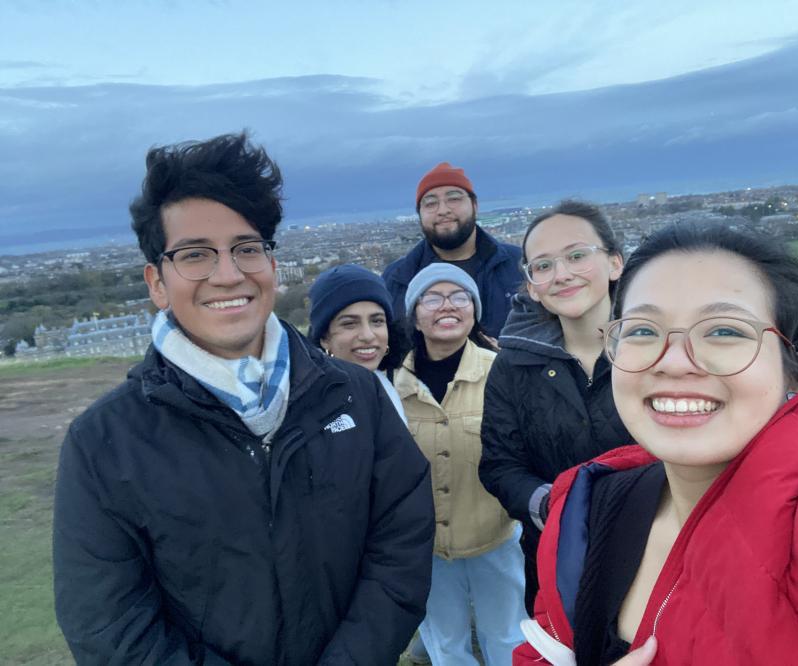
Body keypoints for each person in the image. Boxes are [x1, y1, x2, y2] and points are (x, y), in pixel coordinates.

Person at [52, 132, 435, 665]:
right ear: (157, 283)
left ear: (273, 266)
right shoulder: (103, 445)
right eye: (195, 254)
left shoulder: (356, 397)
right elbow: (110, 626)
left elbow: (401, 551)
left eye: (246, 248)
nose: (228, 273)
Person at [515, 223, 798, 665]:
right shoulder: (587, 507)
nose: (674, 362)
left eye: (724, 331)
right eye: (642, 331)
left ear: (792, 368)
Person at [479, 200, 632, 614]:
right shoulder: (513, 365)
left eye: (577, 256)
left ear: (615, 263)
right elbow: (500, 464)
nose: (561, 274)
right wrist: (552, 506)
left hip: (660, 551)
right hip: (558, 562)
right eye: (543, 266)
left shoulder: (656, 350)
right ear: (531, 286)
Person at [394, 263, 527, 665]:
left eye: (459, 296)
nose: (446, 306)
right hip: (426, 547)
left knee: (507, 638)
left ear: (474, 310)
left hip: (495, 537)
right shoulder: (391, 383)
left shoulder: (503, 373)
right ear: (415, 313)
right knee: (445, 644)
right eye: (432, 297)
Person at [383, 162, 524, 337]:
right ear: (419, 213)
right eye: (430, 203)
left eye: (454, 199)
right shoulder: (397, 277)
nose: (443, 210)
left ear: (474, 205)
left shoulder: (519, 264)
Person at [308, 263, 410, 422]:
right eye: (349, 324)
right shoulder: (310, 405)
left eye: (377, 321)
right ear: (324, 338)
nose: (368, 335)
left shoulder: (388, 388)